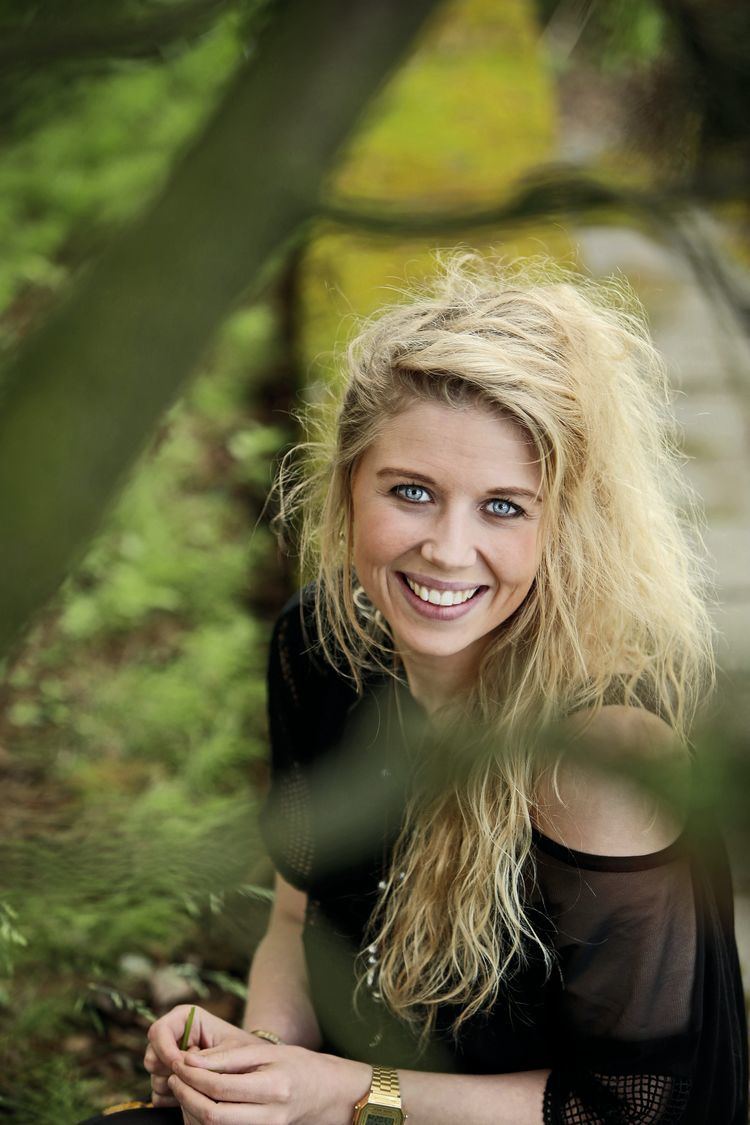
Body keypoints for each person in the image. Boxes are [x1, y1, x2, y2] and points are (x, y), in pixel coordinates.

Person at [135, 253, 747, 1125]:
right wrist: (252, 1069)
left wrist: (341, 1093)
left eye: (504, 506)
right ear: (349, 487)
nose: (449, 551)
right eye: (413, 492)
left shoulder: (597, 753)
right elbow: (291, 921)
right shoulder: (320, 648)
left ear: (562, 526)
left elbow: (628, 1106)